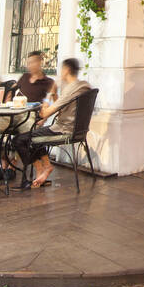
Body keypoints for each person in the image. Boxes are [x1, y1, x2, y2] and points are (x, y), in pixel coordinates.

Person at [13, 57, 92, 189]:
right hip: (78, 130)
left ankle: (42, 168)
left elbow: (44, 113)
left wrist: (50, 93)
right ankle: (46, 167)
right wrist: (55, 95)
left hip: (63, 129)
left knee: (19, 140)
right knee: (33, 134)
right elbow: (62, 105)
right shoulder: (84, 86)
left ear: (66, 70)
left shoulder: (70, 90)